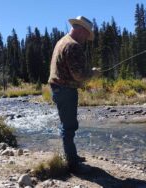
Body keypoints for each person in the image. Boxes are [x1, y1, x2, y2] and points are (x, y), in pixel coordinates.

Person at [48, 16, 100, 172]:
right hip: (65, 90)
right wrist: (92, 73)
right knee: (69, 126)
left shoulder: (61, 41)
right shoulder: (73, 46)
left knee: (68, 125)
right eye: (86, 35)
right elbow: (79, 75)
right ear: (81, 30)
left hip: (58, 89)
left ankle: (72, 156)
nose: (86, 39)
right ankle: (72, 163)